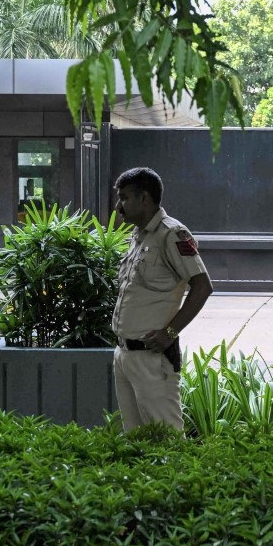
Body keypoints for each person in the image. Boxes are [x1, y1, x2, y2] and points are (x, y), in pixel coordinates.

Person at [112, 167, 213, 432]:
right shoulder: (139, 235)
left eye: (124, 198)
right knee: (135, 444)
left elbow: (202, 286)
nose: (118, 206)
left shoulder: (172, 234)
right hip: (125, 356)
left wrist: (170, 332)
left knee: (166, 441)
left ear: (144, 198)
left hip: (152, 359)